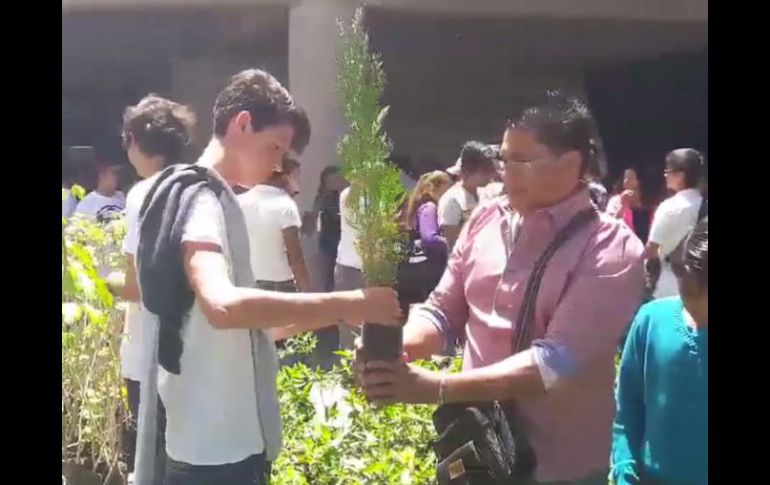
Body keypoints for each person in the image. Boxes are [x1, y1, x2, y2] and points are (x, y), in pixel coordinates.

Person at [356, 97, 644, 484]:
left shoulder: (612, 248)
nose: (504, 174)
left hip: (559, 467)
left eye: (520, 162)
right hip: (476, 453)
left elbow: (552, 364)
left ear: (572, 164)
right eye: (503, 159)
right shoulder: (486, 220)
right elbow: (442, 310)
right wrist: (399, 346)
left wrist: (436, 387)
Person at [133, 69, 401, 485]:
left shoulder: (199, 195)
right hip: (215, 452)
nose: (278, 163)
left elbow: (246, 330)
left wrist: (332, 314)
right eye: (274, 146)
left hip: (214, 440)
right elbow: (222, 306)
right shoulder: (203, 202)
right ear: (242, 124)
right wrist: (352, 301)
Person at [107, 94, 197, 484]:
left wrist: (103, 282)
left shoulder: (144, 194)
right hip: (193, 347)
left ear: (136, 142)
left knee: (150, 454)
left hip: (150, 346)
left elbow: (136, 285)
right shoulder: (199, 185)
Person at [612, 218, 708, 484]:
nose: (698, 309)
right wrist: (624, 460)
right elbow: (628, 399)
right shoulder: (652, 320)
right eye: (688, 292)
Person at [239, 156, 311, 298]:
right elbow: (295, 257)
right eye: (296, 177)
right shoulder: (285, 206)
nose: (297, 183)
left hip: (248, 282)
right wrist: (309, 294)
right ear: (285, 176)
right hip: (279, 285)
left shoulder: (240, 201)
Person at [645, 148, 704, 299]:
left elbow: (651, 249)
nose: (665, 175)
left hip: (669, 285)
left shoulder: (669, 207)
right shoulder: (703, 206)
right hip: (702, 286)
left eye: (668, 170)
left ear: (680, 175)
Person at [399, 170, 452, 302]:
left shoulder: (425, 206)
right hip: (431, 270)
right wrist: (454, 243)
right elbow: (430, 238)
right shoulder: (429, 207)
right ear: (436, 187)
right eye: (448, 186)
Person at [439, 141, 498, 248]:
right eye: (486, 171)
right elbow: (452, 243)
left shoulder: (488, 192)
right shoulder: (451, 200)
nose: (492, 175)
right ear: (468, 171)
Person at [606, 167, 656, 243]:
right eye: (625, 178)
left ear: (638, 181)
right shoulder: (615, 201)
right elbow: (610, 224)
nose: (626, 181)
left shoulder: (648, 200)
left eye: (630, 178)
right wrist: (623, 206)